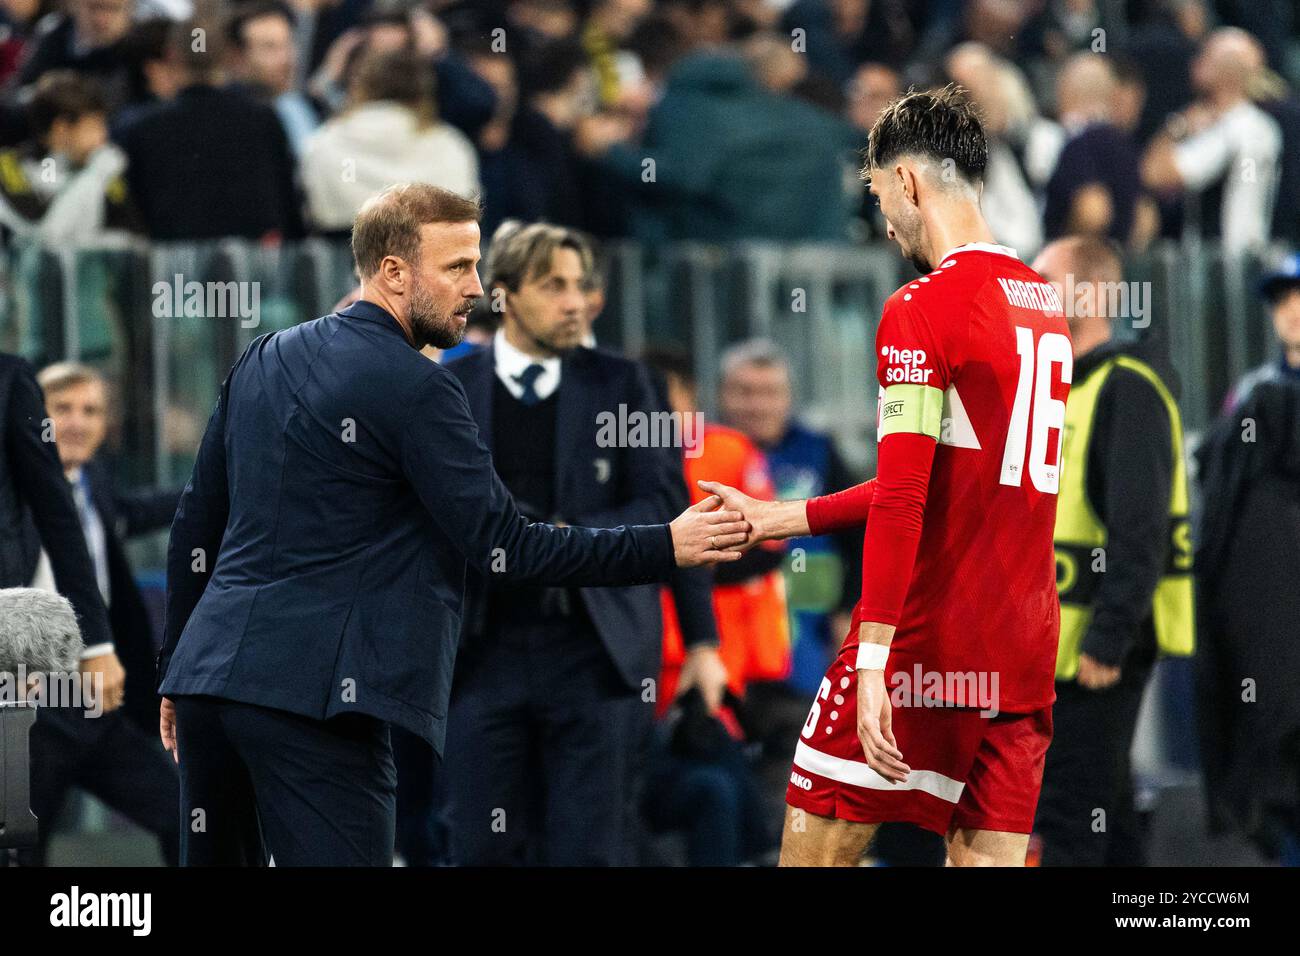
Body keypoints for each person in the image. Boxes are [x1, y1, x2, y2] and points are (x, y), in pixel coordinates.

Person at [156, 183, 748, 867]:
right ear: (393, 272)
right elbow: (504, 544)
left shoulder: (262, 356)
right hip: (317, 702)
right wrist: (664, 543)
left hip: (208, 688)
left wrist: (176, 668)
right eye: (457, 267)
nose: (476, 287)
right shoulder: (421, 386)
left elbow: (194, 527)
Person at [702, 86, 1071, 866]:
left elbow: (905, 495)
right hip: (1024, 648)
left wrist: (874, 658)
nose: (882, 220)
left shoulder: (922, 307)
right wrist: (784, 518)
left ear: (906, 183)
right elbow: (949, 479)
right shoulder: (1043, 301)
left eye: (876, 194)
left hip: (928, 642)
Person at [439, 221, 727, 865]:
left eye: (582, 285)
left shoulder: (630, 385)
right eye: (554, 286)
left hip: (597, 652)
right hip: (478, 652)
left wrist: (703, 640)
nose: (576, 301)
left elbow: (667, 509)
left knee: (592, 852)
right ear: (505, 297)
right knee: (479, 849)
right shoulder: (448, 389)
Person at [1029, 236, 1194, 866]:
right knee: (1110, 817)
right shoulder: (1062, 390)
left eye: (1047, 279)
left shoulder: (1128, 386)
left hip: (1098, 652)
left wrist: (1109, 637)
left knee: (1071, 824)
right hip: (1060, 648)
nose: (1033, 292)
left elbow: (1140, 526)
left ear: (1092, 293)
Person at [1141, 28, 1282, 253]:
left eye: (1204, 57)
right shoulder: (1242, 124)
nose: (1194, 64)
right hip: (1220, 264)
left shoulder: (1242, 127)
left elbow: (1156, 174)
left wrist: (1178, 126)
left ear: (1228, 71)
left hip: (1229, 267)